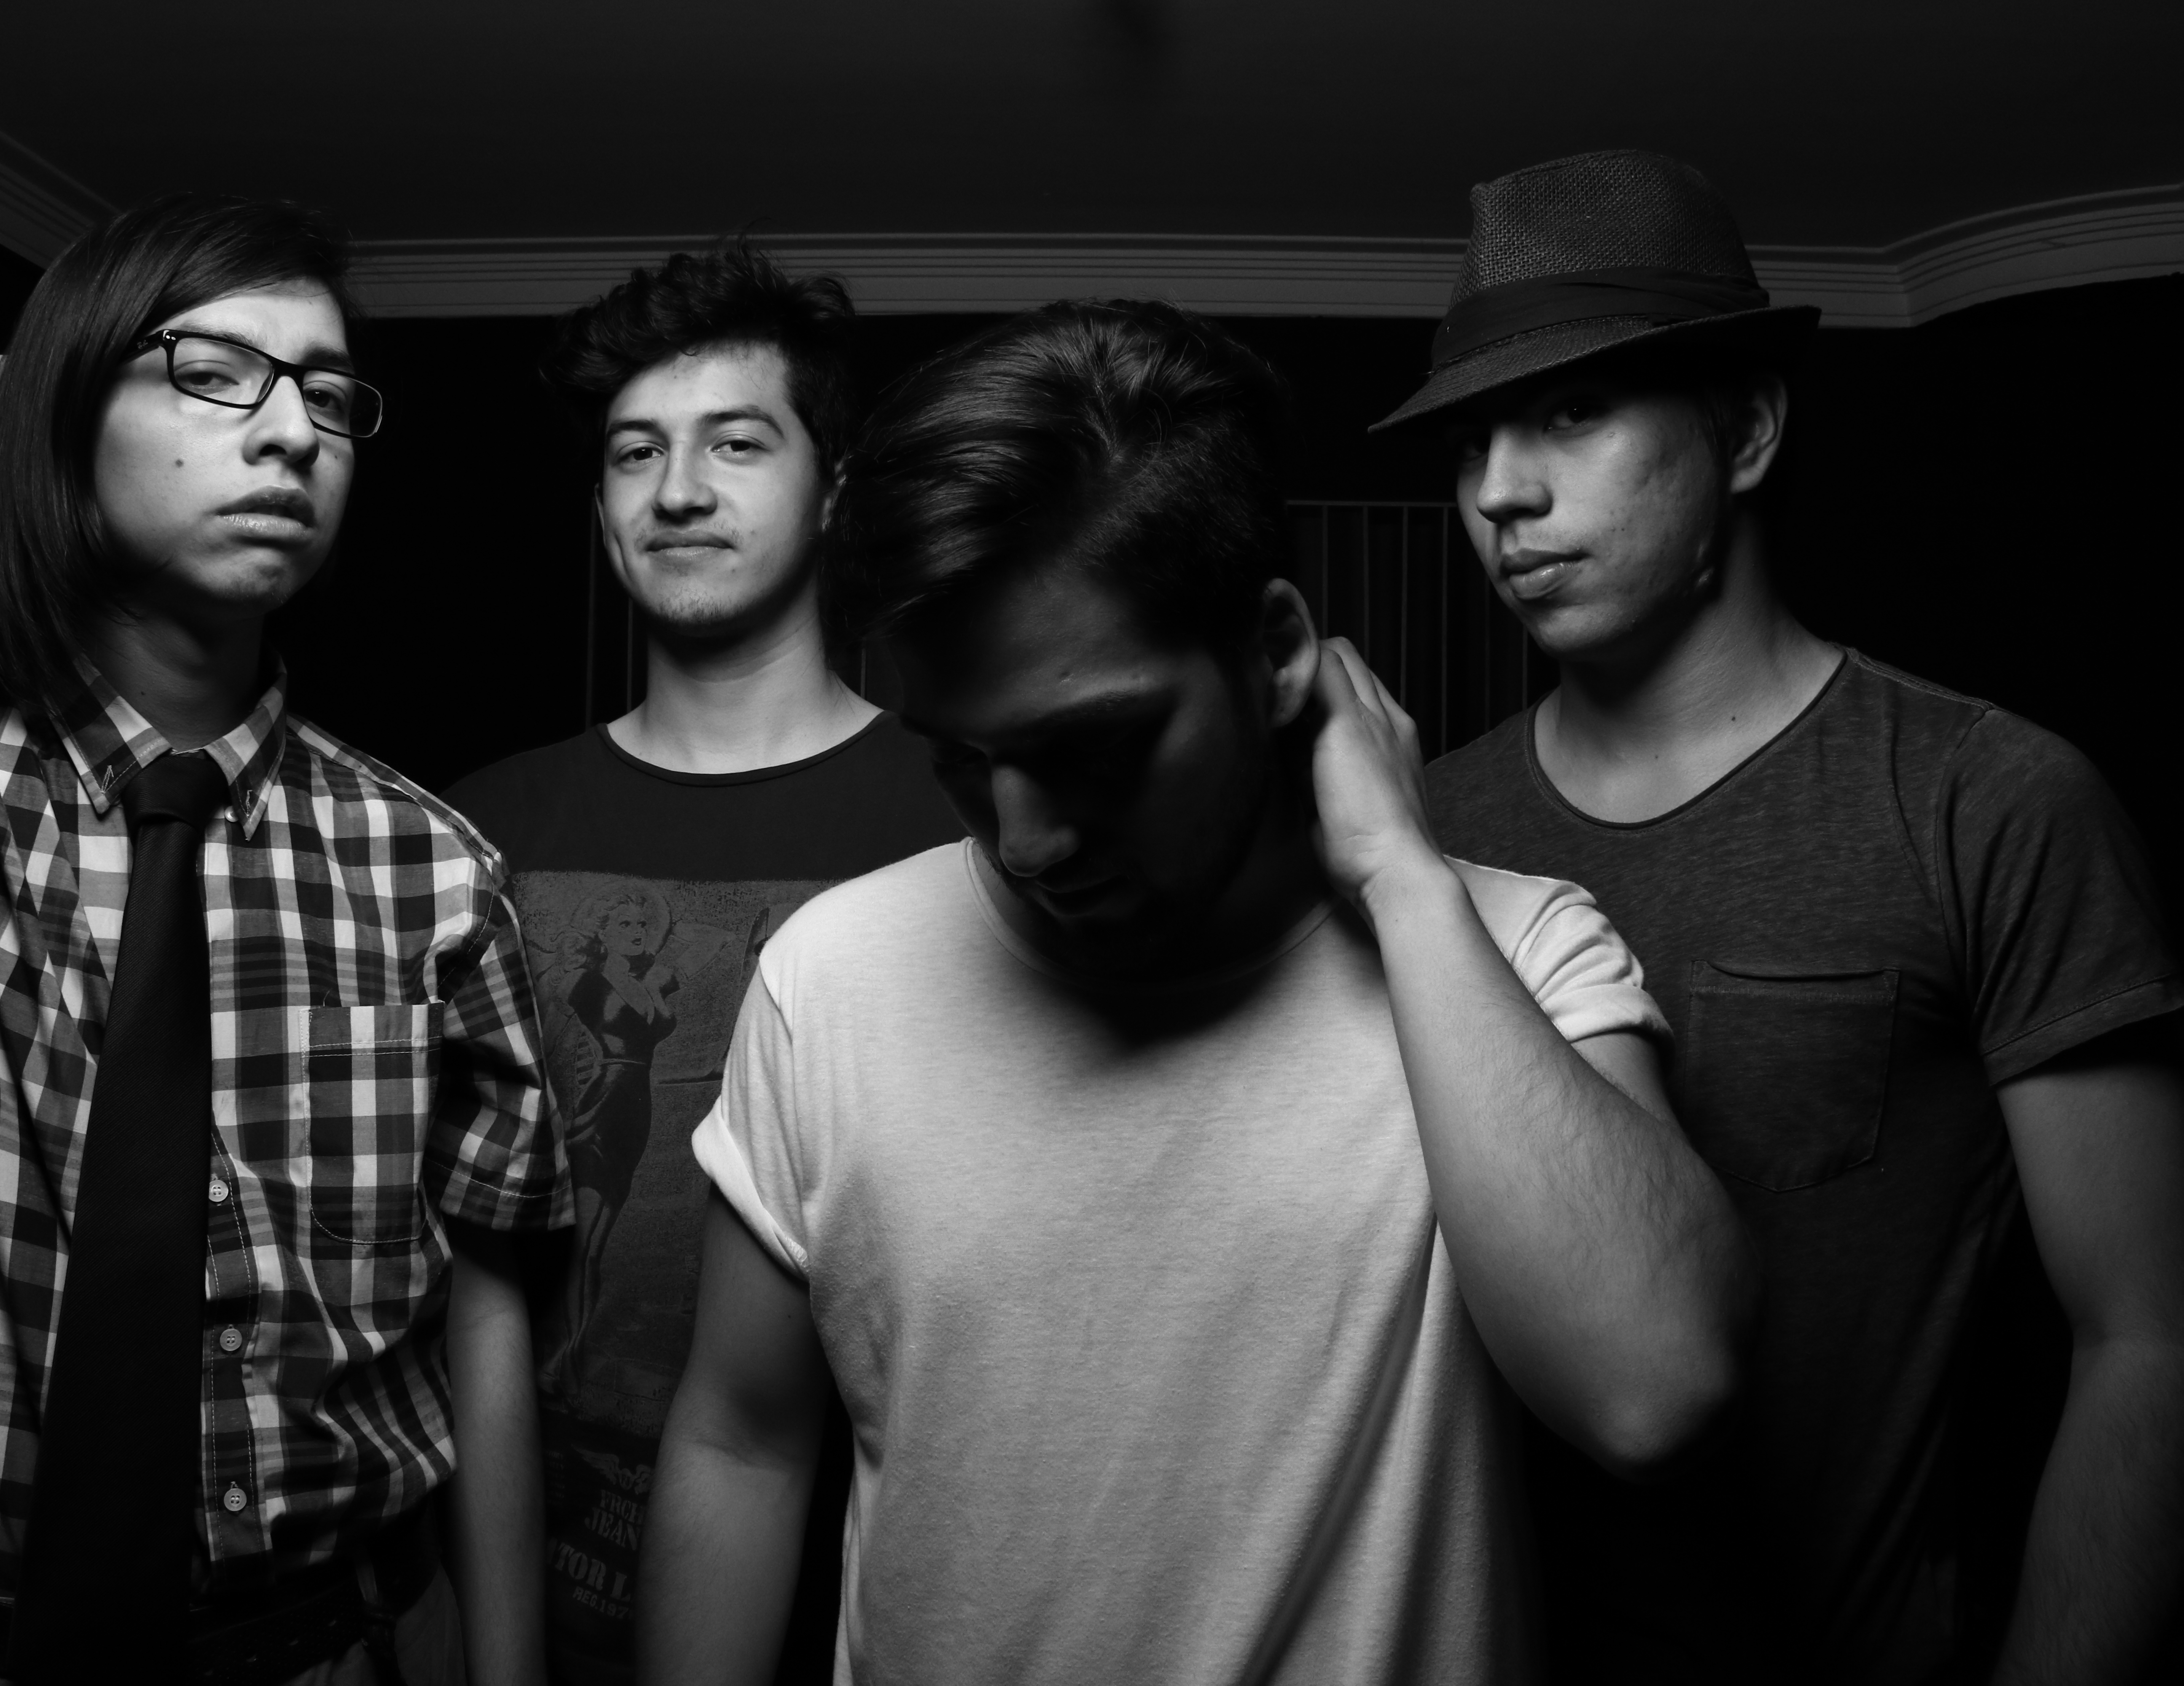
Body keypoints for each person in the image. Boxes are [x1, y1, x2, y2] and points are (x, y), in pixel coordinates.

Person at [634, 300, 1757, 1685]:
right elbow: (742, 1445)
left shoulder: (1514, 955)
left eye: (1094, 748)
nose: (1025, 840)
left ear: (1275, 651)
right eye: (963, 760)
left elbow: (1657, 1392)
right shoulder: (832, 974)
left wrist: (1404, 879)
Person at [0, 195, 568, 1685]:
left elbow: (482, 1327)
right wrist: (11, 390)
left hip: (336, 1647)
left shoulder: (431, 869)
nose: (294, 434)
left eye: (330, 395)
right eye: (215, 372)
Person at [1395, 150, 2184, 1685]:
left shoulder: (1985, 799)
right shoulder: (1420, 842)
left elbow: (2149, 1338)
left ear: (1747, 431)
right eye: (1472, 439)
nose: (1501, 492)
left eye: (1573, 412)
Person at [442, 242, 960, 1684]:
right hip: (528, 1585)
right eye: (635, 453)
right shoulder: (476, 832)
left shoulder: (964, 817)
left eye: (737, 443)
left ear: (833, 490)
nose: (678, 491)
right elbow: (459, 1277)